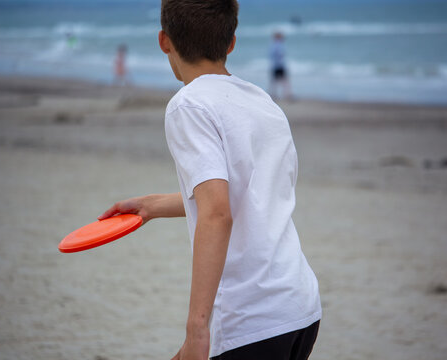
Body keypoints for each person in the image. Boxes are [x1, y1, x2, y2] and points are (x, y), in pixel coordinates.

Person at [98, 1, 321, 359]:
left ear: (163, 40)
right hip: (299, 308)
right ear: (231, 42)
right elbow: (249, 193)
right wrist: (152, 206)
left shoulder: (189, 106)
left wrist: (196, 330)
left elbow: (217, 212)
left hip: (252, 319)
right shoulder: (263, 103)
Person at [269, 32, 293, 100]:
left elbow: (271, 55)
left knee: (275, 81)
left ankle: (274, 94)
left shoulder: (273, 45)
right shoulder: (278, 45)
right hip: (279, 65)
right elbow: (280, 55)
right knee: (284, 80)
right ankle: (286, 94)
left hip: (275, 65)